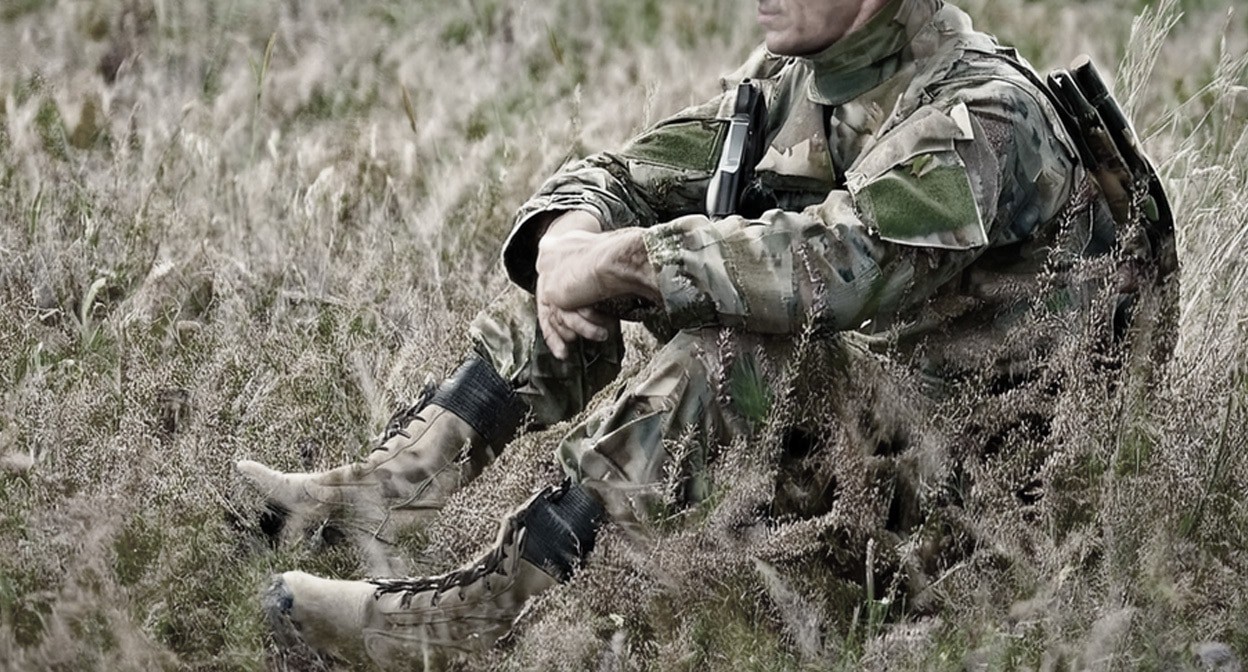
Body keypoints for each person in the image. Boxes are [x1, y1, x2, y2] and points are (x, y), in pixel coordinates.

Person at [237, 0, 1175, 666]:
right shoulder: (801, 78)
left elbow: (838, 267)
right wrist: (574, 246)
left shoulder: (985, 117)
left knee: (740, 338)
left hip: (980, 515)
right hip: (855, 465)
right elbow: (631, 172)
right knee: (612, 265)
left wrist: (627, 263)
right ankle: (386, 491)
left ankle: (473, 618)